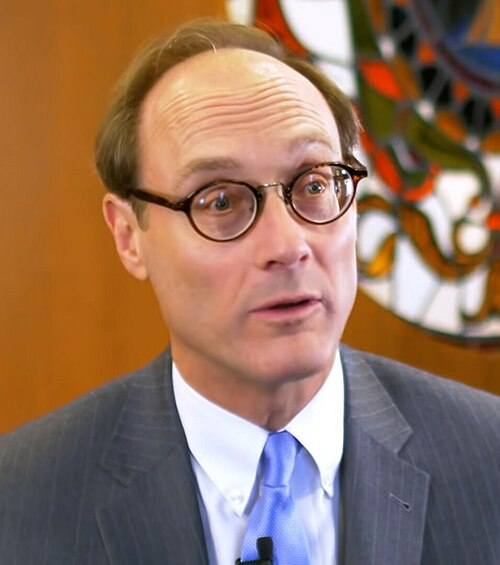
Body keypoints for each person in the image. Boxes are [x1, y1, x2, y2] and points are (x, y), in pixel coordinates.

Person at [0, 18, 499, 565]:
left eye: (314, 185)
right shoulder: (22, 501)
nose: (287, 246)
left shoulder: (488, 457)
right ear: (128, 236)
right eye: (220, 201)